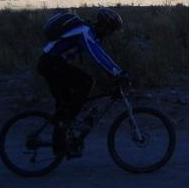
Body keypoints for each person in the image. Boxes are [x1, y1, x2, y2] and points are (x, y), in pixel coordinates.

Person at [37, 8, 128, 154]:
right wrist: (118, 73)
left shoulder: (87, 32)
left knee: (64, 104)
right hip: (50, 64)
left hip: (52, 64)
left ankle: (59, 145)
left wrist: (113, 74)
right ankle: (69, 122)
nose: (110, 34)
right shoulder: (84, 31)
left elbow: (99, 56)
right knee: (86, 81)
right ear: (104, 26)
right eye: (111, 30)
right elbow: (98, 55)